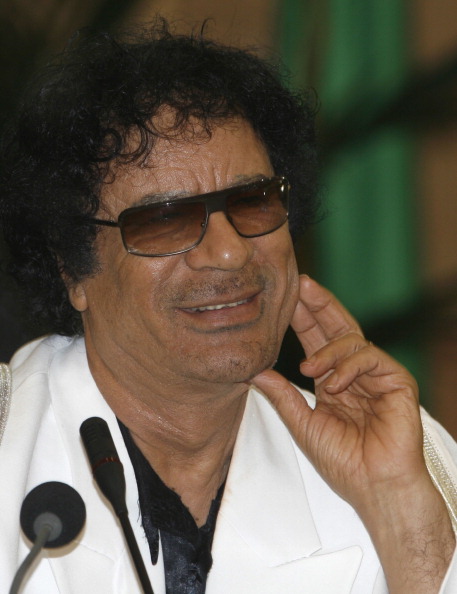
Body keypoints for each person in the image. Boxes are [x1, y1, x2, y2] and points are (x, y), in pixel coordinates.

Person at [0, 20, 456, 594]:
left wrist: (402, 519)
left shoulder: (407, 461)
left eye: (252, 201)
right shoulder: (11, 445)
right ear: (73, 267)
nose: (229, 252)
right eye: (166, 219)